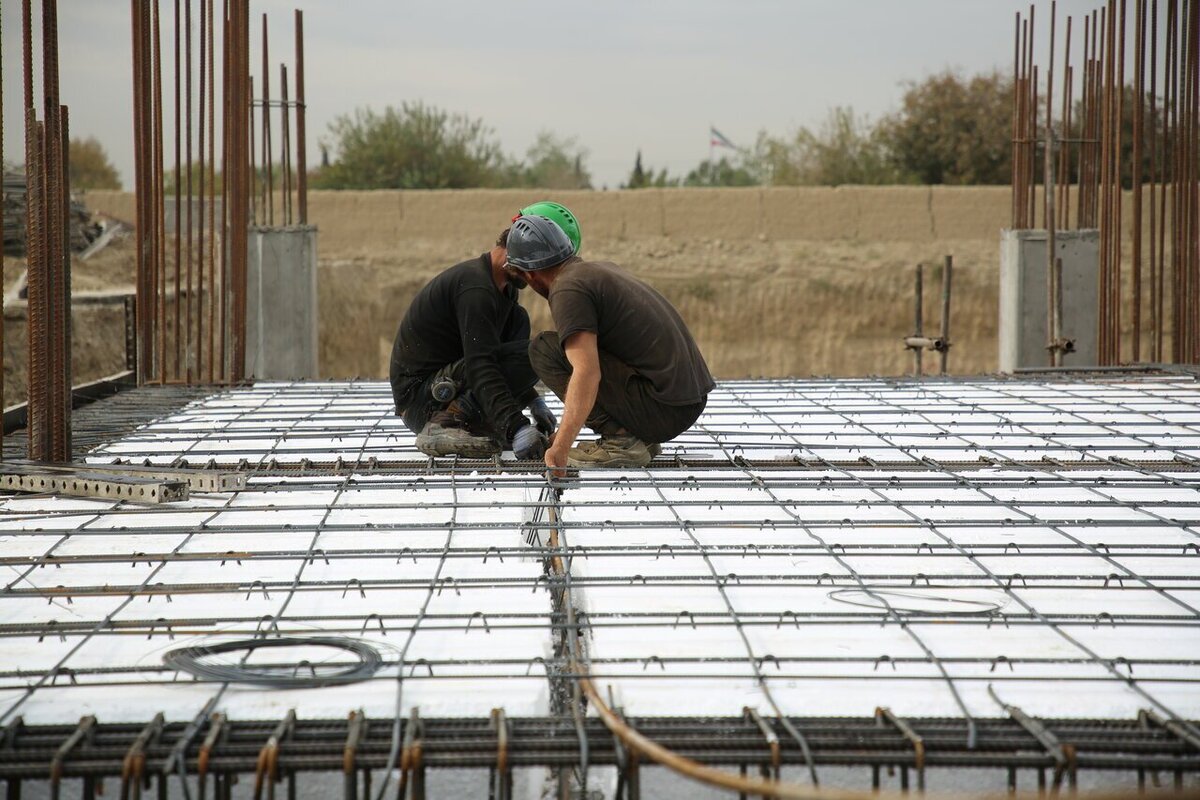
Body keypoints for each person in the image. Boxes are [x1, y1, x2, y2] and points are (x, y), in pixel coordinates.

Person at [503, 214, 714, 469]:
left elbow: (587, 371)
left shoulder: (568, 289)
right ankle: (638, 437)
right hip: (686, 401)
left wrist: (561, 447)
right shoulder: (597, 270)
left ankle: (621, 441)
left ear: (531, 274)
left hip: (664, 409)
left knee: (544, 349)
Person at [388, 228, 556, 459]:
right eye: (533, 266)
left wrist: (532, 399)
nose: (534, 275)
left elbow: (501, 361)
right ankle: (444, 425)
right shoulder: (476, 289)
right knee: (538, 352)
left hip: (450, 383)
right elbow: (481, 365)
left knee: (520, 321)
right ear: (512, 252)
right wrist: (517, 426)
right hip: (422, 401)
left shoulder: (504, 292)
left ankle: (475, 420)